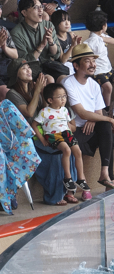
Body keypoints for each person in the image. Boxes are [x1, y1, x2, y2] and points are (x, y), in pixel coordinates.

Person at [5, 58, 71, 206]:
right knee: (55, 155)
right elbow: (29, 113)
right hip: (26, 137)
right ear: (16, 75)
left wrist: (42, 92)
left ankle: (67, 191)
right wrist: (37, 92)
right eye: (24, 69)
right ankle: (53, 197)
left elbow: (46, 112)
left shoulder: (33, 89)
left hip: (43, 131)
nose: (29, 70)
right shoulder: (12, 94)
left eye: (29, 67)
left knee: (69, 148)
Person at [63, 43, 114, 189]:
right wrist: (110, 119)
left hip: (89, 131)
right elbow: (81, 112)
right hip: (74, 133)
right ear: (76, 66)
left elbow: (98, 112)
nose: (93, 65)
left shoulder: (94, 84)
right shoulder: (68, 83)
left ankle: (105, 174)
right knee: (108, 124)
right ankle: (110, 179)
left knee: (106, 128)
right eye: (87, 61)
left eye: (93, 61)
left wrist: (95, 120)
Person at [34, 82, 90, 204]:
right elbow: (34, 125)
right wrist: (43, 139)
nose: (63, 99)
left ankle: (81, 178)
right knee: (66, 150)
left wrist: (68, 128)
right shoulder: (44, 111)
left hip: (66, 133)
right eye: (59, 97)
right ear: (50, 100)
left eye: (64, 96)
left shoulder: (65, 110)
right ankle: (68, 178)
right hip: (53, 135)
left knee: (78, 151)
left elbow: (72, 127)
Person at [11, 0, 67, 81]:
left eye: (41, 6)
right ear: (24, 12)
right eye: (35, 7)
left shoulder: (48, 25)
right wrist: (41, 45)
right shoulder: (16, 33)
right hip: (31, 70)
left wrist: (51, 42)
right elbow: (24, 62)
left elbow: (56, 55)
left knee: (65, 80)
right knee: (49, 80)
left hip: (49, 66)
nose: (41, 10)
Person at [0, 97, 40, 214]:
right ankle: (7, 194)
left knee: (25, 149)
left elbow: (24, 128)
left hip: (13, 145)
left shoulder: (5, 105)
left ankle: (11, 191)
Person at [84, 10, 114, 107]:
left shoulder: (101, 36)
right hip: (98, 71)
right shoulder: (90, 42)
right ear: (103, 26)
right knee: (108, 87)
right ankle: (107, 107)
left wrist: (102, 38)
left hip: (108, 68)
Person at [49, 9, 80, 79]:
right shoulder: (55, 38)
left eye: (68, 20)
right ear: (56, 23)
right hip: (62, 68)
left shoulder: (71, 34)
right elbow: (63, 60)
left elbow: (76, 55)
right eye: (63, 20)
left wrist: (78, 45)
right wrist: (72, 46)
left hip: (73, 63)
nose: (67, 23)